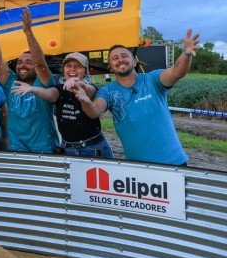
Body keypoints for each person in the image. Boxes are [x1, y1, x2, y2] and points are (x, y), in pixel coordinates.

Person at [79, 30, 200, 165]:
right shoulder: (107, 91)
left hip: (173, 163)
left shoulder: (153, 79)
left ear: (134, 62)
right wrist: (84, 99)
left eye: (124, 56)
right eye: (115, 58)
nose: (120, 60)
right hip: (138, 168)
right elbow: (94, 111)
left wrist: (187, 52)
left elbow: (177, 72)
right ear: (110, 67)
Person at [12, 52, 113, 158]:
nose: (72, 69)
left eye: (78, 66)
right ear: (63, 70)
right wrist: (33, 89)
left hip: (94, 149)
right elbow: (50, 94)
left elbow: (89, 91)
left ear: (85, 72)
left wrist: (80, 85)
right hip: (68, 150)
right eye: (68, 66)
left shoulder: (92, 88)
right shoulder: (60, 88)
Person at [0, 8, 59, 153]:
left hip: (44, 149)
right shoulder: (10, 82)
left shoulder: (44, 82)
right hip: (16, 148)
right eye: (19, 62)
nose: (22, 65)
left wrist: (28, 32)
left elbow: (40, 63)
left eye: (28, 62)